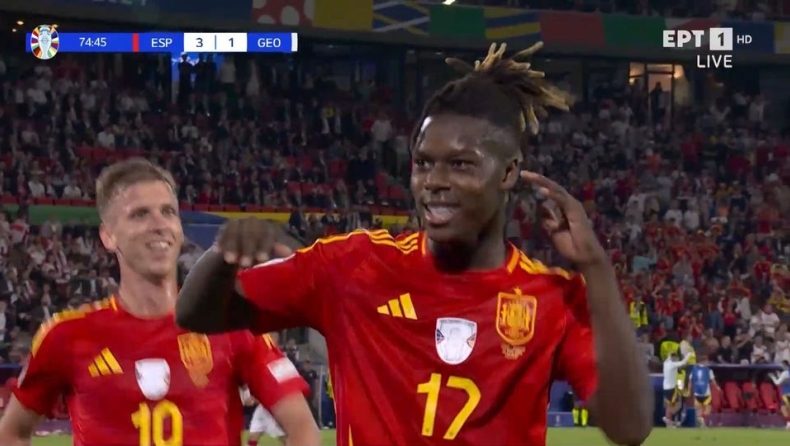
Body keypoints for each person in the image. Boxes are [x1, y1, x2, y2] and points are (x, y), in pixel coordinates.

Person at [177, 42, 652, 446]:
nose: (434, 182)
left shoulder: (550, 297)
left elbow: (629, 428)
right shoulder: (353, 266)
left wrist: (596, 266)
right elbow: (196, 314)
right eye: (423, 163)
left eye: (460, 165)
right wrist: (223, 255)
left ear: (508, 172)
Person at [0, 159, 320, 446]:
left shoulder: (232, 325)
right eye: (139, 214)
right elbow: (12, 433)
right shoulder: (65, 336)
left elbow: (303, 431)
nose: (159, 224)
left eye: (168, 212)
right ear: (108, 236)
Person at [662, 351, 692, 427]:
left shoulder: (666, 363)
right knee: (678, 404)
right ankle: (668, 418)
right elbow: (683, 362)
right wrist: (688, 355)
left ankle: (669, 422)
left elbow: (670, 357)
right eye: (676, 358)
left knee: (669, 405)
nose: (677, 360)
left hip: (665, 387)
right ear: (673, 358)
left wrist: (670, 355)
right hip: (671, 388)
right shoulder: (672, 365)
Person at [689, 355, 716, 427]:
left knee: (699, 409)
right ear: (704, 361)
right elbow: (713, 381)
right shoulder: (708, 370)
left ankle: (701, 424)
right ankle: (702, 418)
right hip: (706, 393)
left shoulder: (693, 369)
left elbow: (690, 381)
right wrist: (717, 387)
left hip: (697, 393)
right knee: (708, 408)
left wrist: (689, 389)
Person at [769, 360, 790, 429]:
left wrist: (772, 377)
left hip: (787, 393)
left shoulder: (785, 373)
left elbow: (777, 383)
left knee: (783, 408)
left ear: (784, 365)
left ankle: (788, 424)